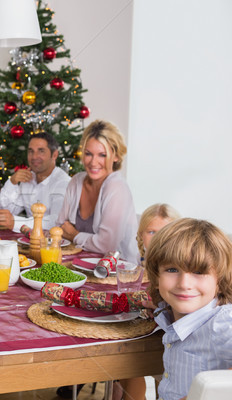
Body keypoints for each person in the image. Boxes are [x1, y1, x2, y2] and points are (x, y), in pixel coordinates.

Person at [145, 218, 232, 400]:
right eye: (171, 270)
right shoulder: (170, 310)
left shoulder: (222, 322)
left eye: (199, 272)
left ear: (219, 280)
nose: (184, 284)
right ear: (157, 274)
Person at [115, 203, 181, 400]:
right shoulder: (141, 265)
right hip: (150, 333)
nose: (158, 238)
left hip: (174, 339)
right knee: (128, 364)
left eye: (165, 232)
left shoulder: (179, 270)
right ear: (141, 235)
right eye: (151, 232)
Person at [56, 119, 139, 262]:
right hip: (81, 265)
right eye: (88, 154)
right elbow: (60, 228)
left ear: (116, 156)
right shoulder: (76, 181)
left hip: (118, 272)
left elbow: (107, 246)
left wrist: (74, 235)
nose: (93, 162)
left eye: (102, 155)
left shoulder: (117, 187)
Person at [0, 132, 70, 232]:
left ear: (54, 155)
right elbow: (7, 213)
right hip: (28, 240)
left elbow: (56, 222)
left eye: (41, 151)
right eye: (31, 151)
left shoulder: (63, 183)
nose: (34, 157)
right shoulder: (28, 177)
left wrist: (16, 222)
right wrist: (12, 183)